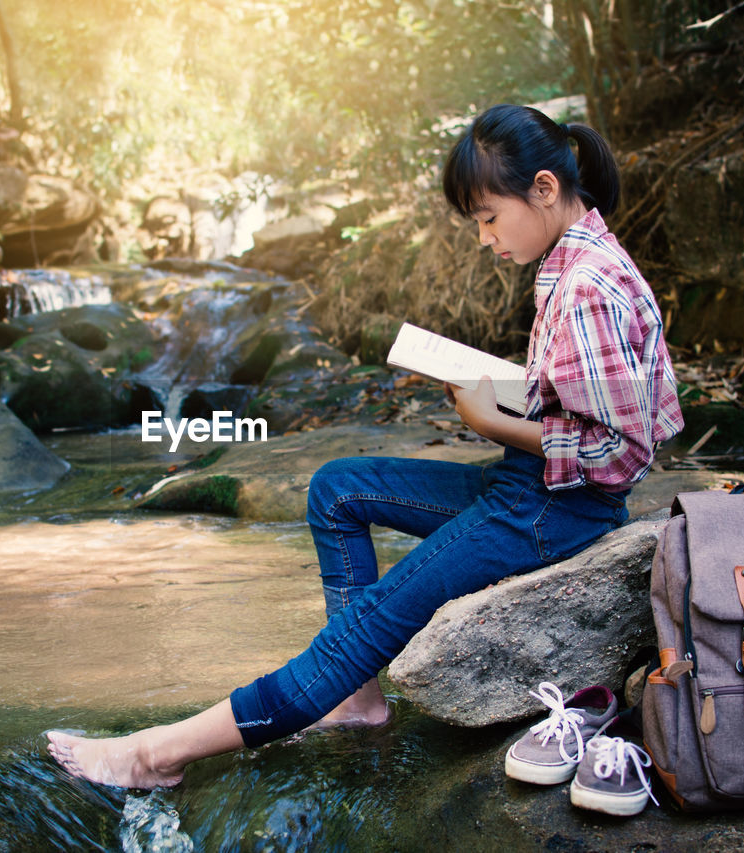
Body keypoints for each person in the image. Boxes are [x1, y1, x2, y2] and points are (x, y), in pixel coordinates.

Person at [46, 103, 684, 788]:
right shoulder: (574, 258)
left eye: (489, 217)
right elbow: (592, 403)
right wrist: (500, 394)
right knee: (338, 488)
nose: (483, 237)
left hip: (556, 507)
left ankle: (155, 755)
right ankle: (357, 697)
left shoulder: (587, 284)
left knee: (365, 625)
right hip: (529, 487)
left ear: (545, 190)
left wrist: (491, 420)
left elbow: (620, 453)